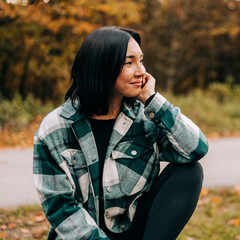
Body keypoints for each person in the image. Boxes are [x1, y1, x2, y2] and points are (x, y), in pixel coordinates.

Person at [33, 26, 209, 240]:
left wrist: (153, 101)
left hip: (134, 231)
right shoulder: (54, 128)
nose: (141, 71)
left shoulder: (146, 118)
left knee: (189, 172)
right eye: (129, 62)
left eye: (141, 60)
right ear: (101, 67)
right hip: (81, 238)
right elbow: (60, 206)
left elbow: (196, 149)